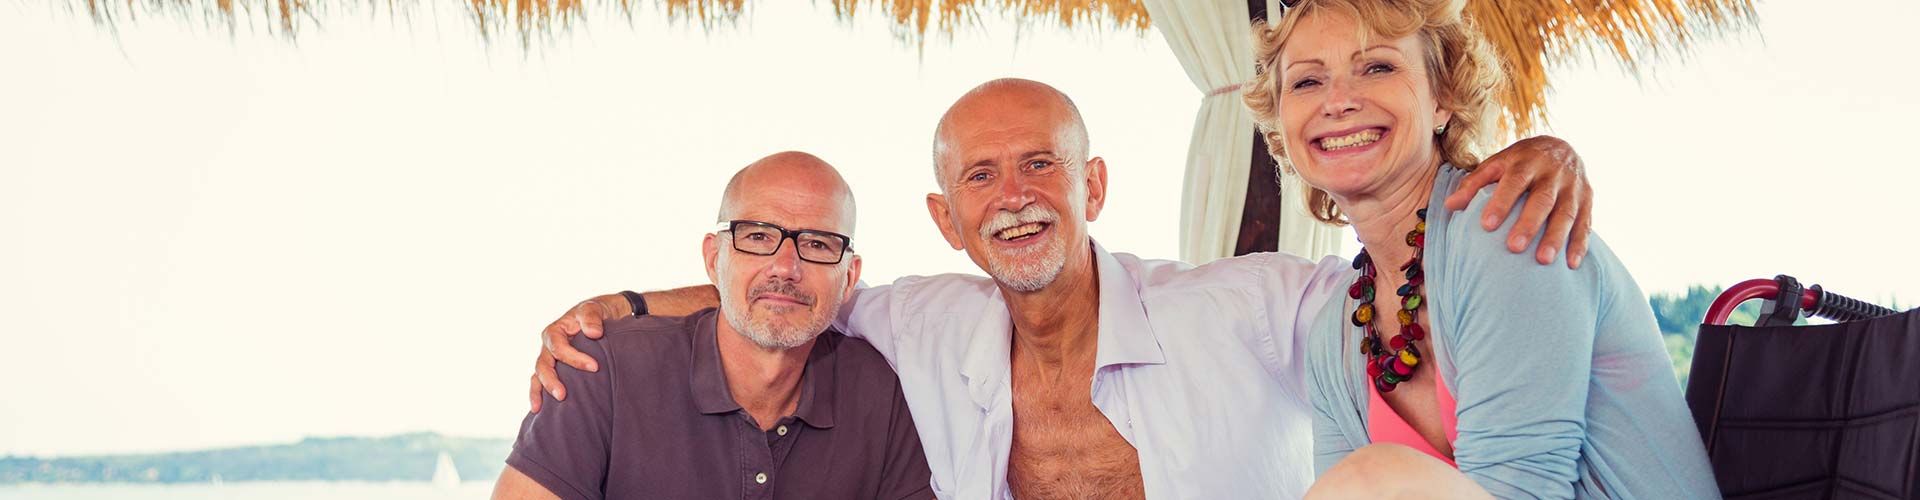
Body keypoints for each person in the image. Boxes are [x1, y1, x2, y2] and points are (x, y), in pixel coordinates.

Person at [527, 79, 1597, 498]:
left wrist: (1491, 169)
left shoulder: (1240, 303)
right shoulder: (916, 318)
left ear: (1090, 185)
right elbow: (784, 287)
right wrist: (618, 308)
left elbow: (1396, 284)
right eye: (980, 176)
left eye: (1041, 164)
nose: (1015, 196)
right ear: (946, 218)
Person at [1237, 0, 1719, 497]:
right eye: (1306, 82)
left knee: (1369, 475)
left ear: (1441, 98)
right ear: (1280, 121)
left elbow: (1522, 491)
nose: (1337, 101)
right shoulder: (1335, 334)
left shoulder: (1503, 227)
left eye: (1377, 67)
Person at [490, 152, 934, 500]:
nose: (786, 266)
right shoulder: (603, 371)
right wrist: (626, 304)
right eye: (758, 236)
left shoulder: (886, 390)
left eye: (817, 243)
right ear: (713, 258)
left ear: (850, 277)